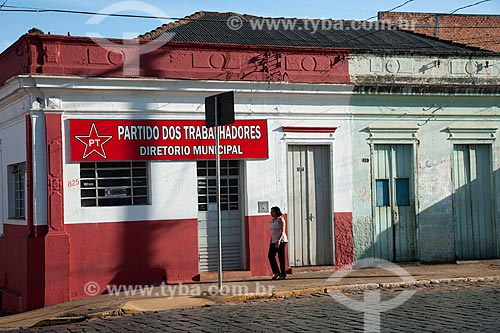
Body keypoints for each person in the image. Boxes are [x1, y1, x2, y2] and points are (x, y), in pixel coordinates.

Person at [268, 206, 288, 280]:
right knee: (270, 255)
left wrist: (279, 240)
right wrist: (271, 241)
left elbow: (282, 231)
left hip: (281, 241)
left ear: (277, 212)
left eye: (273, 211)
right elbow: (273, 232)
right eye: (271, 212)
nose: (271, 213)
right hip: (273, 241)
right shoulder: (273, 220)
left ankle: (283, 274)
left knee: (281, 257)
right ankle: (276, 272)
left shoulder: (280, 219)